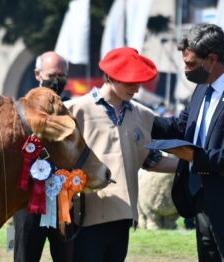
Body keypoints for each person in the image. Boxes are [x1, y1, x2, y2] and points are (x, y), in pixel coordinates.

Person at [65, 47, 178, 262]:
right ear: (109, 76)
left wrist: (195, 166)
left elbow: (151, 160)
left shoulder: (144, 115)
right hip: (85, 216)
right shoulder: (74, 110)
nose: (135, 88)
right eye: (129, 82)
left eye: (139, 82)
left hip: (124, 216)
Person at [152, 23, 224, 261]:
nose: (185, 69)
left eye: (191, 64)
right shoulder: (202, 89)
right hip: (201, 198)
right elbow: (180, 126)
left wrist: (195, 156)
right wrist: (137, 117)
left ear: (212, 59)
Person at [13, 51, 72, 262]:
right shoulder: (19, 109)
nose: (57, 81)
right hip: (28, 199)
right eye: (52, 75)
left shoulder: (71, 109)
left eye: (62, 76)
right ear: (38, 74)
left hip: (65, 200)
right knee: (24, 257)